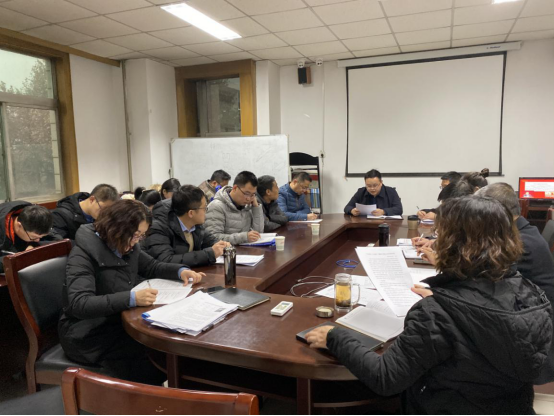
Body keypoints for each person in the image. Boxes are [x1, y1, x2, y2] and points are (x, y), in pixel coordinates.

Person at [306, 196, 552, 415]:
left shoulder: (435, 313)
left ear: (453, 244)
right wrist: (446, 296)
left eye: (439, 234)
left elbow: (386, 377)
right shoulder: (530, 292)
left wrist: (335, 337)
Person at [59, 200, 205, 385]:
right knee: (153, 357)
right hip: (88, 333)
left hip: (117, 321)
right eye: (135, 235)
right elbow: (80, 303)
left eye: (141, 236)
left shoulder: (126, 245)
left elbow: (151, 266)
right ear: (117, 228)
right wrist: (131, 298)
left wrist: (180, 271)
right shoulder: (83, 254)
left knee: (166, 347)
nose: (137, 241)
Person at [476, 183, 554, 385]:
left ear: (497, 213)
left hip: (533, 342)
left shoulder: (522, 243)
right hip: (525, 319)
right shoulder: (521, 232)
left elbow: (483, 281)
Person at [145, 185, 229, 268]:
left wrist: (222, 245)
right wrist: (209, 254)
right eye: (204, 208)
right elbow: (166, 260)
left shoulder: (196, 224)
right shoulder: (159, 227)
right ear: (191, 213)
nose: (206, 211)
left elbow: (210, 240)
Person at [205, 171, 264, 245]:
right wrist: (243, 237)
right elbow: (213, 238)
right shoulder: (216, 206)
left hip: (245, 249)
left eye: (253, 195)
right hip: (226, 251)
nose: (248, 198)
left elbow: (258, 233)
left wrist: (256, 207)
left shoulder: (247, 206)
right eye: (247, 193)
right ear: (235, 188)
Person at [0, 202, 57, 273]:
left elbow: (58, 241)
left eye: (42, 237)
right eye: (33, 237)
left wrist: (33, 245)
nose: (37, 240)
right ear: (19, 225)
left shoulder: (38, 218)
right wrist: (18, 258)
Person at [52, 184, 119, 241]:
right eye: (103, 209)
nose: (105, 214)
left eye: (108, 211)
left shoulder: (98, 214)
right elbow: (61, 245)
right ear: (92, 200)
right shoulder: (60, 215)